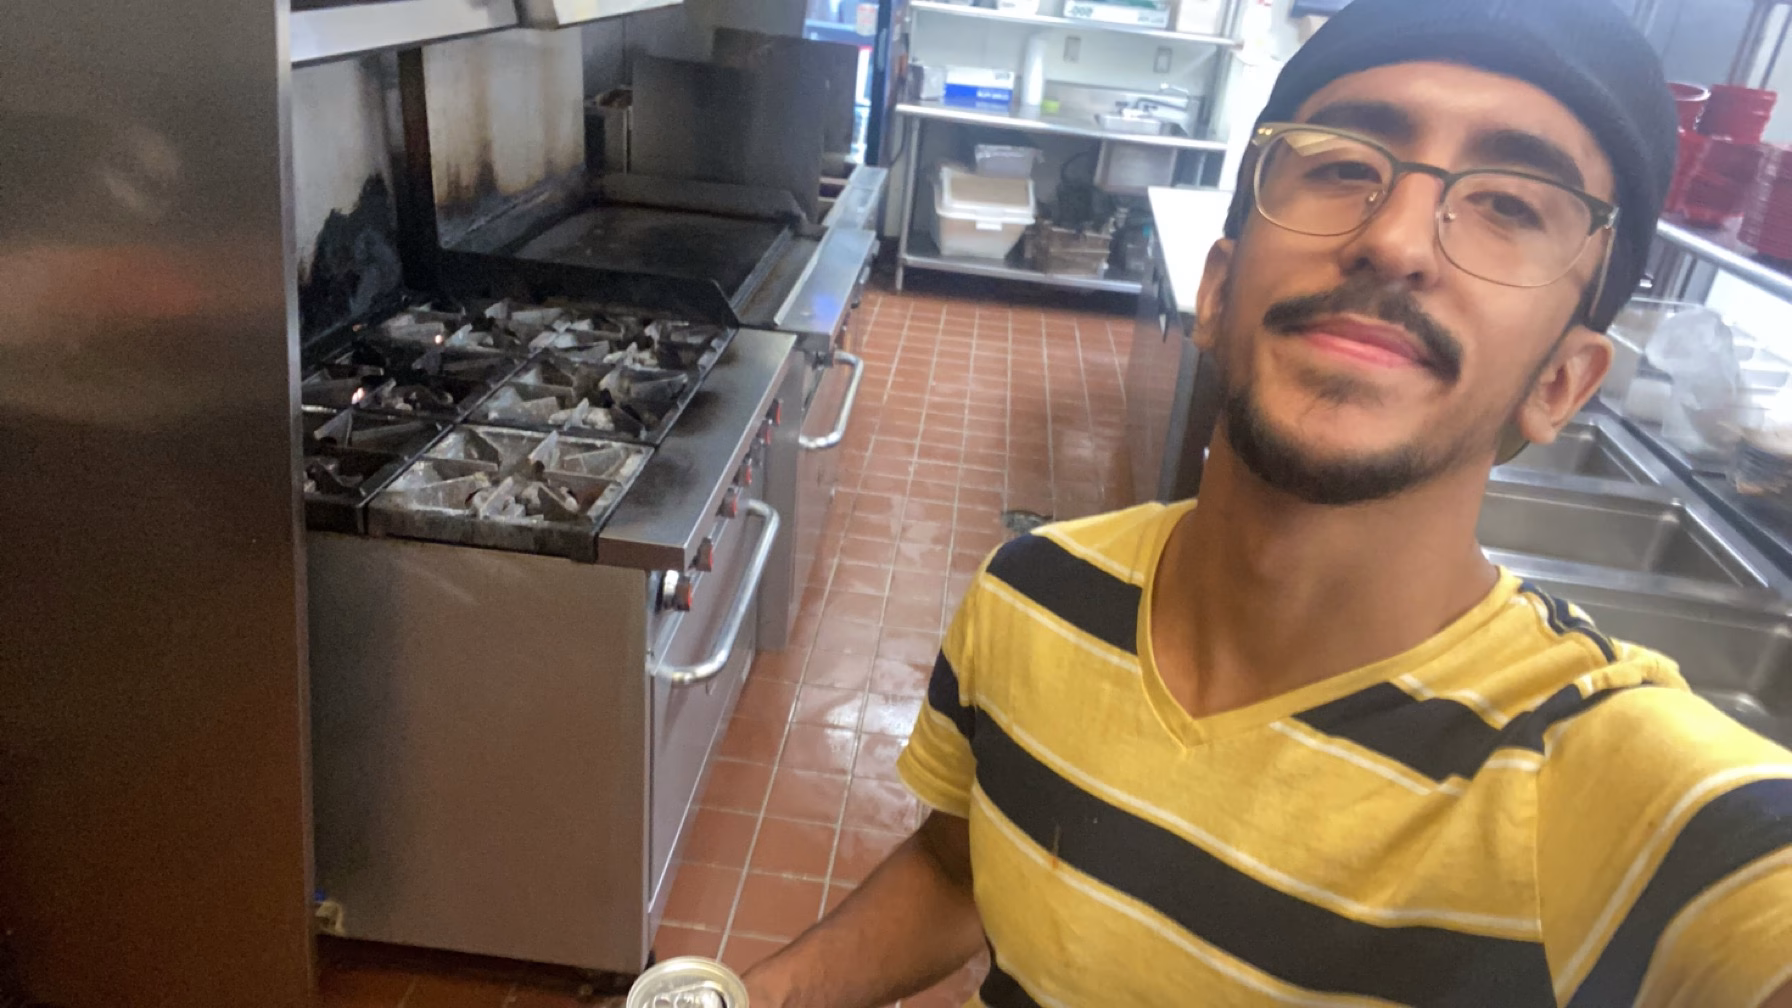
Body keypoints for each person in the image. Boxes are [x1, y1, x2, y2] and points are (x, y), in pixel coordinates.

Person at [745, 0, 1792, 1003]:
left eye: (1510, 205)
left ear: (1561, 382)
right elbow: (961, 869)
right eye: (1344, 166)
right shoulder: (1038, 591)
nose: (1397, 240)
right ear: (1215, 290)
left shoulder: (1601, 778)